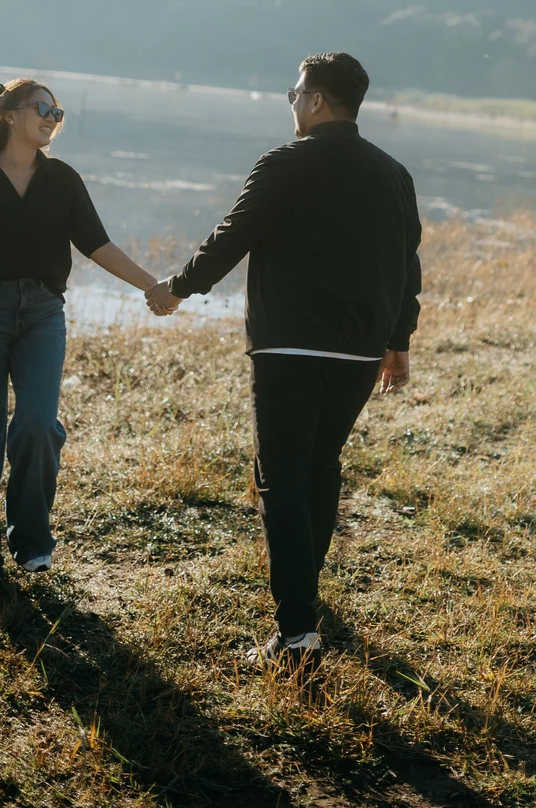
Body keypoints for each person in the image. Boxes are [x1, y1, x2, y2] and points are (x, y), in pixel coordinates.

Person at [146, 51, 422, 672]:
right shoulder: (394, 174)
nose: (292, 102)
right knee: (320, 468)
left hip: (290, 346)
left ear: (318, 99)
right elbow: (407, 264)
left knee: (282, 480)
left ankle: (296, 634)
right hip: (359, 352)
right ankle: (305, 606)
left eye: (296, 92)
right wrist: (398, 340)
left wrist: (178, 288)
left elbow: (232, 235)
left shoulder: (285, 161)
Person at [0, 77, 162, 597]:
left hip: (42, 314)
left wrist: (153, 286)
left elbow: (98, 245)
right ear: (9, 113)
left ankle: (31, 540)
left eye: (57, 112)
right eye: (42, 109)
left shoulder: (63, 180)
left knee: (38, 425)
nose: (51, 119)